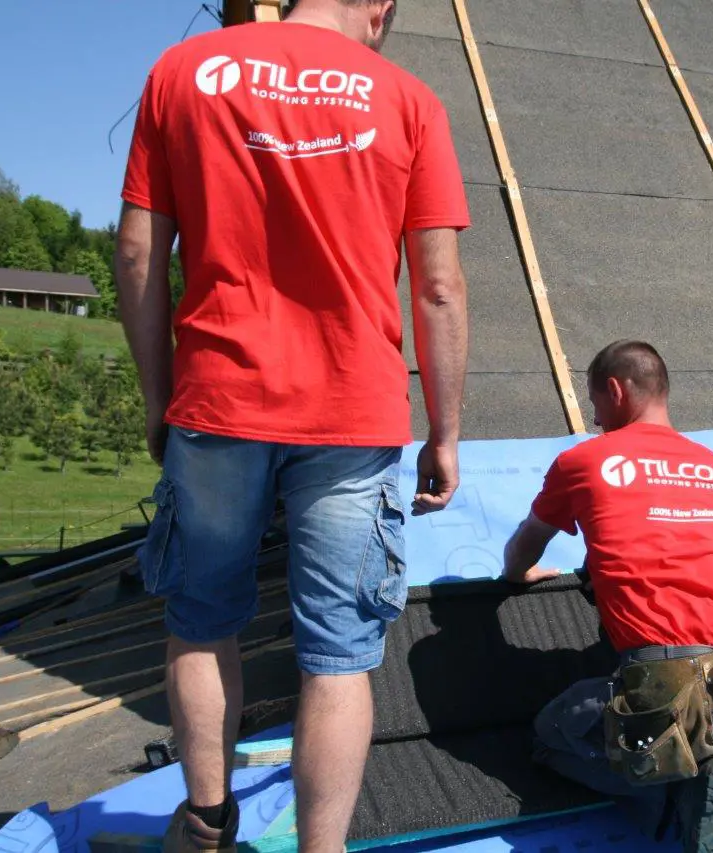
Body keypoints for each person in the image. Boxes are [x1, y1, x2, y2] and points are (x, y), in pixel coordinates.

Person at [115, 2, 470, 851]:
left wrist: (160, 396)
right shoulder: (409, 100)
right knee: (338, 653)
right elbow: (439, 288)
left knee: (203, 620)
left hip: (219, 400)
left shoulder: (186, 73)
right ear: (378, 5)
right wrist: (445, 431)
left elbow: (138, 252)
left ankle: (206, 826)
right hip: (352, 410)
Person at [503, 341, 713, 853]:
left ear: (615, 390)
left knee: (550, 734)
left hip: (670, 687)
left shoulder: (585, 460)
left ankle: (680, 790)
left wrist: (517, 573)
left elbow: (528, 542)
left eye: (595, 402)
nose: (596, 417)